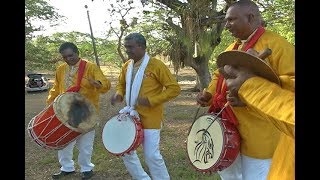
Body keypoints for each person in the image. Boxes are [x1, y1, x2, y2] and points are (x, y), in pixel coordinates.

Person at [196, 0, 294, 180]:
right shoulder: (232, 47)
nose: (226, 26)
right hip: (229, 128)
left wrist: (250, 99)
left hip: (259, 133)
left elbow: (291, 90)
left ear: (250, 17)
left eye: (231, 20)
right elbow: (219, 76)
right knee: (229, 175)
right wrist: (209, 95)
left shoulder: (278, 46)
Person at [110, 32, 181, 180]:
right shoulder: (126, 66)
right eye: (125, 47)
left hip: (150, 117)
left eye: (130, 47)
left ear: (141, 47)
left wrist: (151, 100)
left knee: (151, 155)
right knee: (126, 151)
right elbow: (121, 85)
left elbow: (174, 89)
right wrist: (119, 94)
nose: (127, 50)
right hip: (129, 115)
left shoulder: (156, 65)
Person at [47, 42, 111, 179]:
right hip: (65, 111)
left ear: (77, 53)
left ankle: (86, 168)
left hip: (86, 111)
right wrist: (50, 102)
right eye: (65, 57)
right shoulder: (61, 69)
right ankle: (67, 167)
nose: (68, 59)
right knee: (63, 142)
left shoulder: (90, 67)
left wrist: (98, 84)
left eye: (71, 55)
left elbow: (105, 84)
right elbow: (56, 88)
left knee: (85, 143)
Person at [219, 64, 294, 180]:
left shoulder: (281, 47)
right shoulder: (233, 46)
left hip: (265, 145)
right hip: (247, 143)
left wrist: (252, 87)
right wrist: (250, 99)